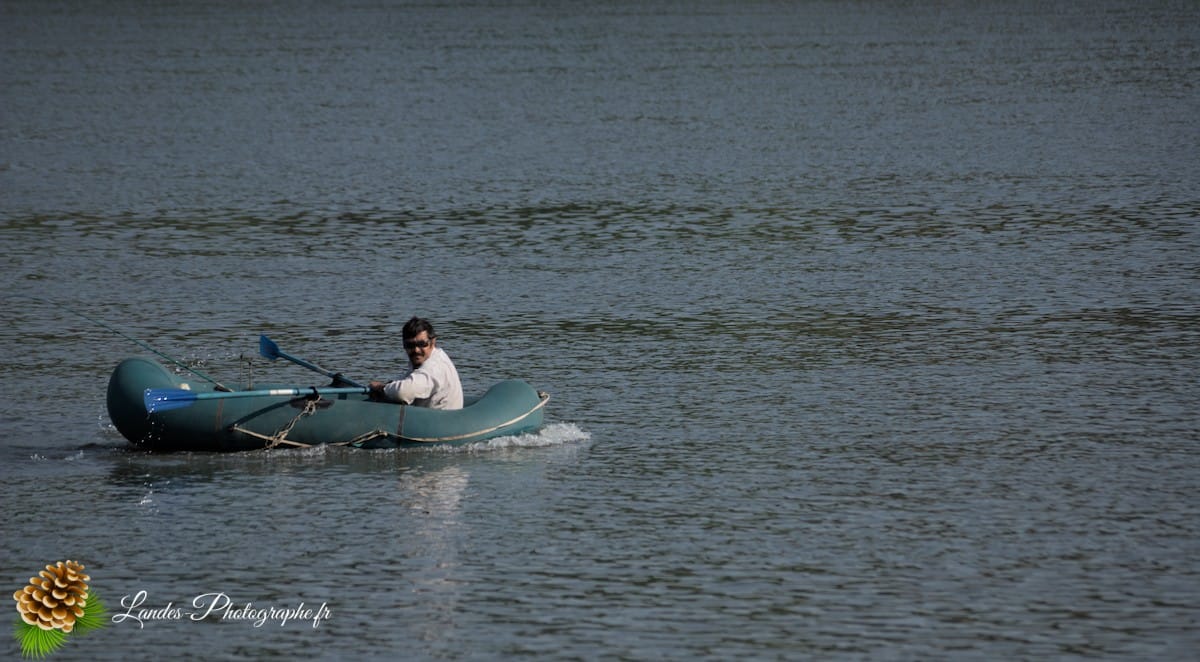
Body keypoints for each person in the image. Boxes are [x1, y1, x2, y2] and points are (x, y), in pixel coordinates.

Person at [367, 317, 464, 410]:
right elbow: (409, 378)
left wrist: (383, 388)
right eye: (410, 345)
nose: (416, 350)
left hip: (441, 423)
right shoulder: (432, 357)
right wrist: (388, 385)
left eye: (422, 344)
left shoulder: (434, 367)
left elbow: (403, 392)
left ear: (433, 342)